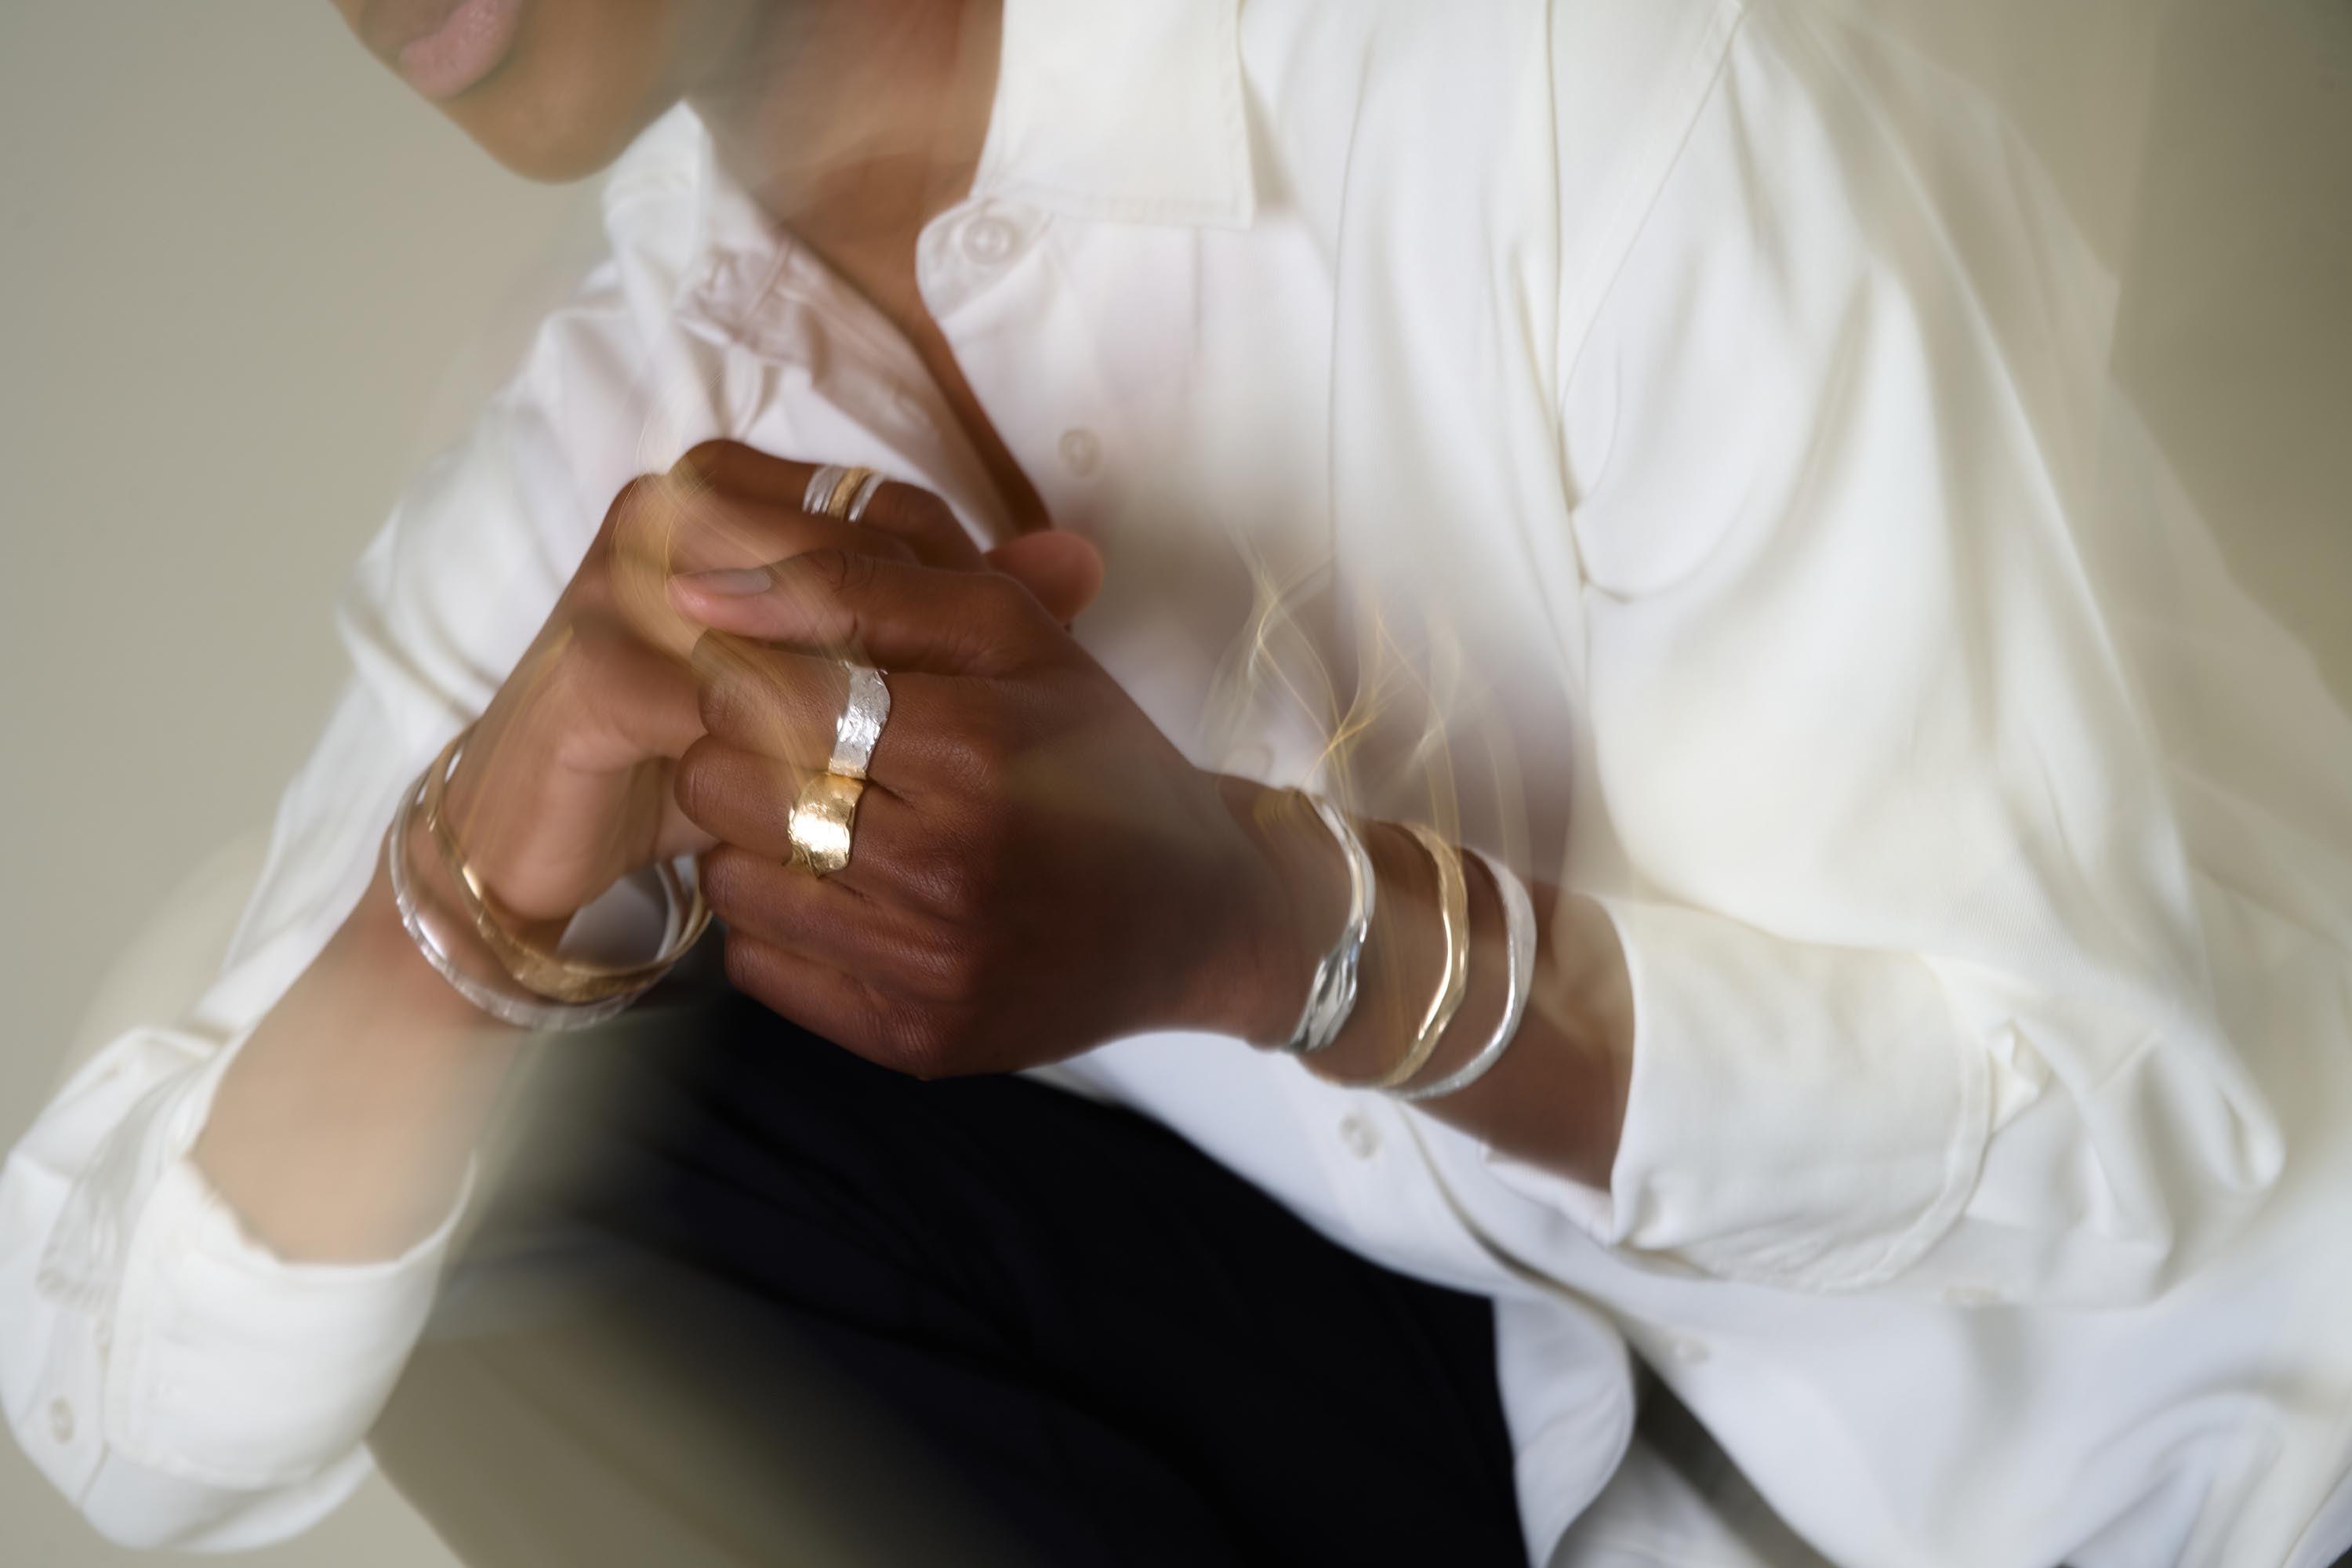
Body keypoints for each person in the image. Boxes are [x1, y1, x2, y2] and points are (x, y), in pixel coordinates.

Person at [5, 0, 2350, 1563]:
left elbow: (2122, 1116)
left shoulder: (1569, 75)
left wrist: (1270, 934)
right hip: (1597, 1491)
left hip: (2232, 1449)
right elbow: (125, 1412)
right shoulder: (603, 436)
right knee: (524, 1120)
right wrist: (463, 912)